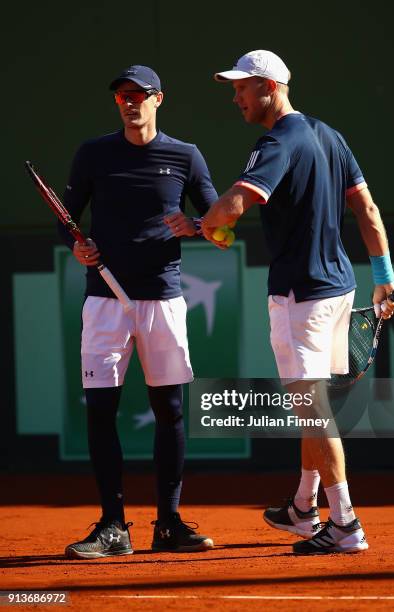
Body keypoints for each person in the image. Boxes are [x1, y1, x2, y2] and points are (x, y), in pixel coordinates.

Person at [201, 50, 394, 555]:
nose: (235, 95)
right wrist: (384, 278)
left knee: (312, 414)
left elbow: (231, 208)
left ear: (269, 86)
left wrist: (208, 226)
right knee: (314, 406)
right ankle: (303, 508)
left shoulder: (274, 142)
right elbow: (369, 211)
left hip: (300, 299)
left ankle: (346, 524)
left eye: (242, 86)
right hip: (339, 289)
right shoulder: (330, 136)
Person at [59, 64, 217, 558]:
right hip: (104, 300)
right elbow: (68, 220)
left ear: (158, 100)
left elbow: (218, 224)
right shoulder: (93, 154)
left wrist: (193, 225)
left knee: (169, 411)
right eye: (123, 96)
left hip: (163, 299)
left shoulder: (185, 156)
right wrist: (76, 244)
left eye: (140, 95)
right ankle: (113, 526)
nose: (130, 102)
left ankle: (168, 523)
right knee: (101, 411)